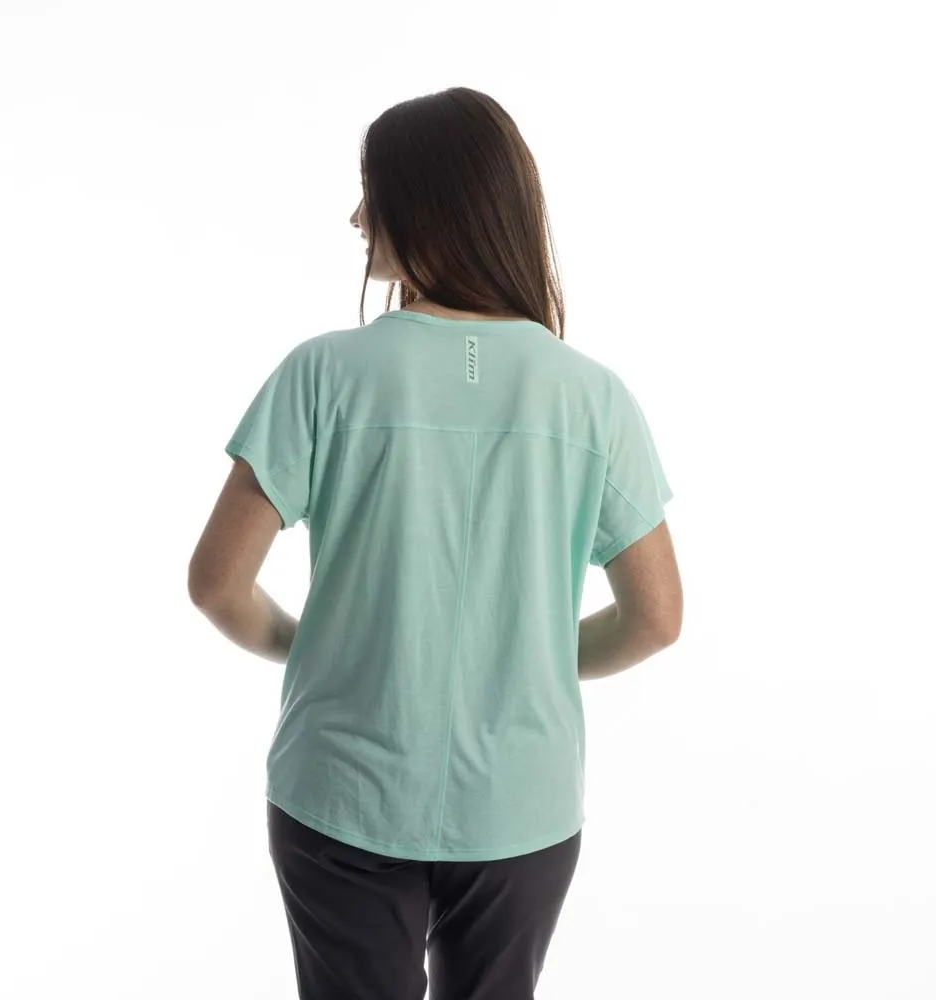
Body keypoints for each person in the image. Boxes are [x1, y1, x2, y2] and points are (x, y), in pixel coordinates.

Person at [188, 86, 683, 1000]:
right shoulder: (594, 398)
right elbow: (656, 619)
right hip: (522, 803)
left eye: (371, 192)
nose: (355, 217)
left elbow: (218, 584)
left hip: (342, 789)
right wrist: (526, 657)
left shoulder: (324, 374)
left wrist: (320, 644)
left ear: (427, 203)